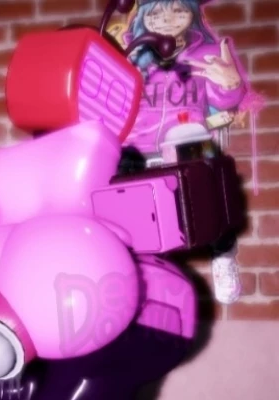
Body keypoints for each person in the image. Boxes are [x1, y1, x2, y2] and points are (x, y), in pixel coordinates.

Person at [109, 0, 251, 304]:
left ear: (192, 14)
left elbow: (225, 101)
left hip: (188, 139)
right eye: (157, 12)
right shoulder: (130, 57)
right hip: (137, 145)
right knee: (117, 180)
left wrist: (231, 84)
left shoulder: (207, 54)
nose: (168, 19)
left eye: (178, 10)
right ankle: (135, 270)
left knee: (211, 174)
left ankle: (223, 252)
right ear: (143, 17)